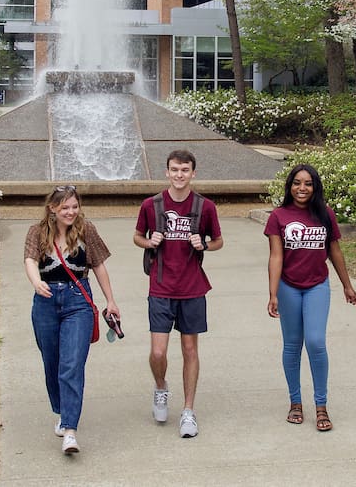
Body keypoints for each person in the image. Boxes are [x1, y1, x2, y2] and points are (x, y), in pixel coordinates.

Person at [133, 149, 223, 439]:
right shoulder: (152, 205)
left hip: (193, 287)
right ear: (167, 172)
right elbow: (137, 236)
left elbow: (219, 241)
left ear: (193, 173)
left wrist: (204, 244)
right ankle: (161, 387)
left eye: (185, 170)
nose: (180, 175)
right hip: (160, 287)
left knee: (189, 350)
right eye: (175, 169)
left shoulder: (205, 206)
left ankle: (188, 410)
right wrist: (149, 241)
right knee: (158, 351)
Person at [24, 185, 120, 454]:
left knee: (72, 365)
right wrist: (36, 282)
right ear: (52, 208)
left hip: (78, 301)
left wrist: (110, 300)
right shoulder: (37, 231)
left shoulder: (86, 230)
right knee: (52, 362)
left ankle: (70, 429)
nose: (70, 212)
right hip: (45, 301)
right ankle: (62, 410)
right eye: (65, 207)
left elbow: (99, 265)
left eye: (74, 206)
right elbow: (30, 260)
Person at [265, 164, 356, 433]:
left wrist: (347, 285)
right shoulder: (278, 217)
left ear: (315, 186)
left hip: (317, 285)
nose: (302, 188)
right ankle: (295, 402)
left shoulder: (325, 215)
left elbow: (335, 251)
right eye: (297, 183)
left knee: (316, 342)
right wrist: (273, 293)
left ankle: (321, 405)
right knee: (292, 345)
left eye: (307, 183)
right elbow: (276, 256)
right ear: (289, 186)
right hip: (288, 287)